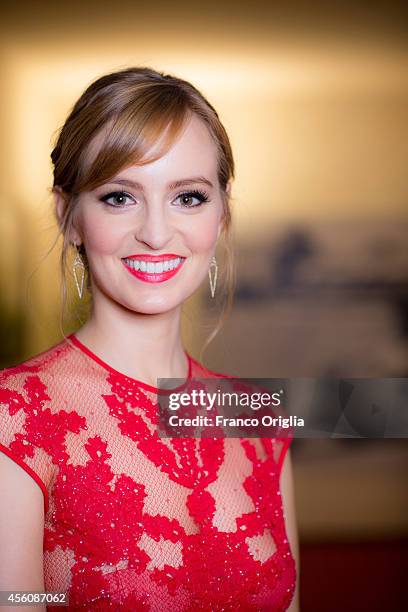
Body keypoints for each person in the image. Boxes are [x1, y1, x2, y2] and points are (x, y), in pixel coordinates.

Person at [0, 67, 299, 611]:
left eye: (188, 197)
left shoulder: (258, 421)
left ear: (222, 214)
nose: (157, 233)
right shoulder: (15, 417)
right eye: (119, 197)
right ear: (68, 216)